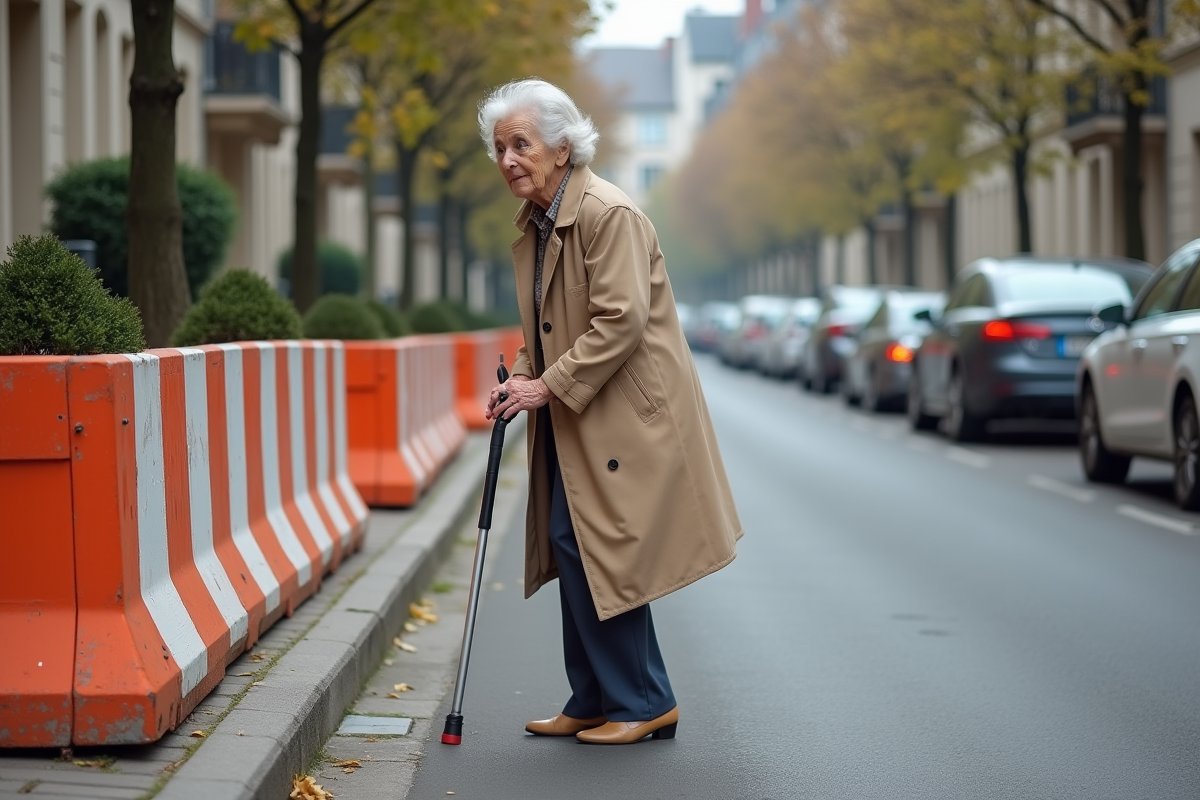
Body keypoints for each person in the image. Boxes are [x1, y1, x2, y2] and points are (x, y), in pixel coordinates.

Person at [479, 78, 743, 745]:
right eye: (499, 147)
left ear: (563, 145)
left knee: (595, 545)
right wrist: (525, 379)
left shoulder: (606, 212)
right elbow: (548, 324)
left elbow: (620, 322)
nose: (508, 159)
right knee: (578, 546)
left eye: (521, 143)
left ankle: (642, 699)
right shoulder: (544, 219)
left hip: (626, 415)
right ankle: (597, 696)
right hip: (587, 409)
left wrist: (548, 386)